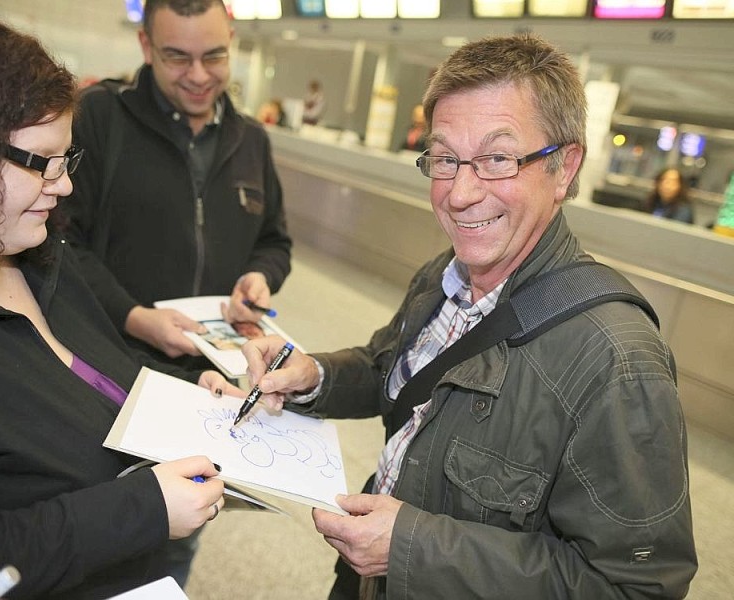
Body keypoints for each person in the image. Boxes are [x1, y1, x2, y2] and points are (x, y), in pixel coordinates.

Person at [210, 34, 698, 598]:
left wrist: (412, 546)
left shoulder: (617, 361)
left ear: (564, 168)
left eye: (497, 158)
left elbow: (635, 587)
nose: (460, 193)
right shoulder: (444, 275)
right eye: (445, 158)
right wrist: (313, 376)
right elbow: (391, 368)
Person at [0, 3, 240, 597]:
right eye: (40, 163)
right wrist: (139, 510)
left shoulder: (43, 260)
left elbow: (96, 376)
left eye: (65, 159)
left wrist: (191, 397)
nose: (65, 184)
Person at [65, 0, 292, 368]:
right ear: (145, 46)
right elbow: (62, 242)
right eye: (178, 58)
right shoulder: (99, 118)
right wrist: (132, 317)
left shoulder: (251, 140)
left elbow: (274, 242)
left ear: (231, 40)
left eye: (214, 57)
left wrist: (259, 275)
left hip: (213, 371)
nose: (199, 76)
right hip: (110, 359)